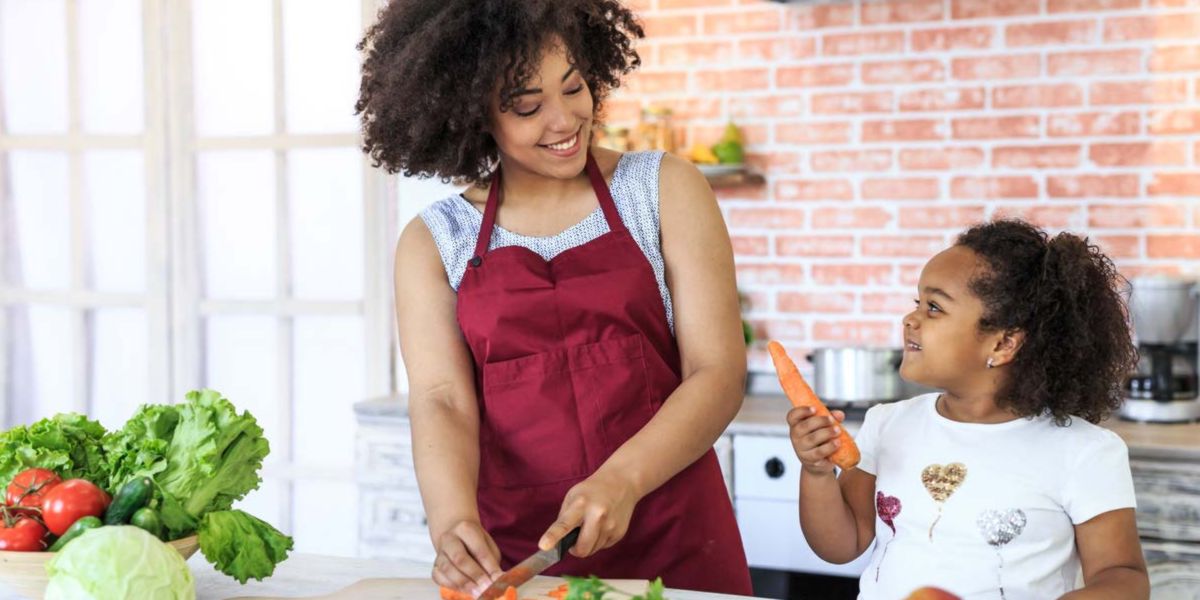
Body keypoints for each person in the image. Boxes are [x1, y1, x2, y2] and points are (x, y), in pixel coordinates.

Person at [356, 1, 752, 595]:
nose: (565, 120)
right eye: (527, 106)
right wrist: (452, 520)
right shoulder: (435, 242)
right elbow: (442, 400)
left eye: (573, 89)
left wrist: (622, 479)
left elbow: (717, 372)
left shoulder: (663, 189)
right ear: (471, 112)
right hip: (522, 554)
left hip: (677, 533)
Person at [789, 220, 1150, 599]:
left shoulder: (1084, 452)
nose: (909, 319)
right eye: (917, 303)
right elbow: (839, 546)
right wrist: (817, 472)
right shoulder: (887, 424)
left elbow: (1122, 576)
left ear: (1003, 343)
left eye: (934, 307)